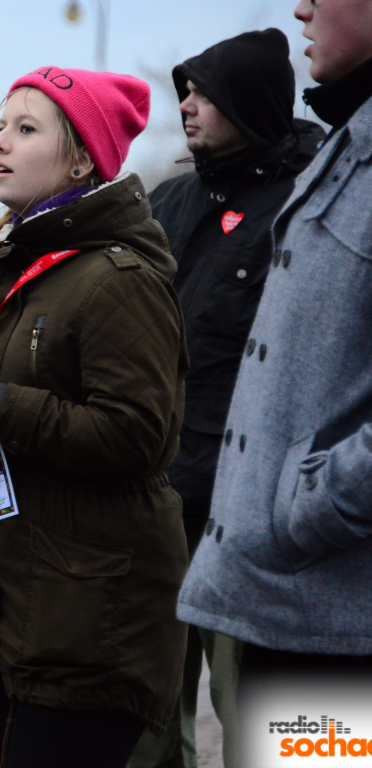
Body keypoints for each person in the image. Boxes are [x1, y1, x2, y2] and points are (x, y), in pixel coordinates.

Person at [0, 66, 190, 768]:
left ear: (83, 158)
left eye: (26, 129)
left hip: (95, 625)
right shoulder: (11, 263)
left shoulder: (116, 278)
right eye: (0, 125)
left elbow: (136, 438)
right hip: (24, 622)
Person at [176, 0, 372, 753]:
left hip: (337, 616)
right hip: (286, 604)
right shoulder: (347, 144)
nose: (303, 6)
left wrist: (310, 503)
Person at [129, 29, 325, 768]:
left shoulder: (318, 195)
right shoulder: (168, 201)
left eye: (204, 92)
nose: (185, 105)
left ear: (248, 101)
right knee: (145, 721)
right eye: (184, 89)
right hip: (162, 501)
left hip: (267, 517)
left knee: (288, 730)